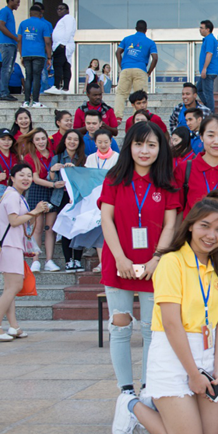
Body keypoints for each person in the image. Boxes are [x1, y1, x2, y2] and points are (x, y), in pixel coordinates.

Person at [111, 192, 218, 434]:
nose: (211, 235)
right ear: (190, 225)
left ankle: (165, 409)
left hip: (207, 352)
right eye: (204, 226)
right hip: (173, 354)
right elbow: (171, 324)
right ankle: (131, 405)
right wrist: (193, 375)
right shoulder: (172, 262)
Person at [100, 121, 180, 399]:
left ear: (160, 148)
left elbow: (171, 225)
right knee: (120, 326)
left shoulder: (167, 181)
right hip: (118, 262)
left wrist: (157, 259)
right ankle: (125, 392)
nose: (144, 151)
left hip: (154, 266)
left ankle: (147, 389)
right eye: (138, 144)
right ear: (129, 146)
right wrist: (120, 258)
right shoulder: (114, 178)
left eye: (151, 145)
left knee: (151, 329)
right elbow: (106, 220)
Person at [0, 163, 49, 341]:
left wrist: (35, 212)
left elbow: (22, 221)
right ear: (12, 177)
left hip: (11, 245)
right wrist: (35, 211)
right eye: (21, 175)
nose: (26, 178)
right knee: (14, 286)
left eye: (29, 175)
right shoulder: (13, 196)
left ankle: (14, 326)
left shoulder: (16, 195)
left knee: (10, 288)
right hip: (10, 245)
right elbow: (14, 221)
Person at [175, 114, 218, 224]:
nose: (216, 141)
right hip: (192, 232)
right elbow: (177, 210)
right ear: (201, 137)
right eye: (211, 135)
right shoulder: (184, 169)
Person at [48, 129, 86, 271]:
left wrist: (75, 170)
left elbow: (85, 181)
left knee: (78, 228)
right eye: (69, 139)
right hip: (62, 197)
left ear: (79, 143)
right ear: (64, 141)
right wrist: (53, 170)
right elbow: (51, 180)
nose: (72, 142)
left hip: (77, 198)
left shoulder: (83, 158)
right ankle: (68, 260)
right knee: (65, 228)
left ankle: (77, 259)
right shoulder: (57, 158)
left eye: (75, 139)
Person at [21, 128, 58, 272]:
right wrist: (53, 184)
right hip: (38, 190)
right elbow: (35, 179)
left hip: (53, 192)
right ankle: (35, 261)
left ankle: (49, 260)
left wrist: (54, 184)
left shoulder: (53, 154)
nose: (41, 142)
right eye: (37, 139)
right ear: (33, 142)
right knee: (37, 227)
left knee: (50, 228)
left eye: (43, 139)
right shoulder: (30, 157)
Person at [82, 129, 119, 273]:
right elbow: (86, 178)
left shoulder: (117, 157)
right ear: (95, 143)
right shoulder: (91, 158)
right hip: (94, 199)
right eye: (100, 142)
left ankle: (113, 261)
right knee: (99, 230)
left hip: (112, 198)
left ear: (111, 142)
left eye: (106, 142)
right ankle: (102, 262)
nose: (103, 145)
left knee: (111, 229)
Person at [114, 20, 158, 117]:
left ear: (136, 28)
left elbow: (118, 52)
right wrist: (149, 72)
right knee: (140, 96)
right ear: (146, 30)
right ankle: (138, 117)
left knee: (121, 94)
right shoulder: (150, 42)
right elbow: (155, 58)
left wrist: (122, 66)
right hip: (141, 70)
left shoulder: (127, 39)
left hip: (126, 69)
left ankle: (118, 116)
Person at [17, 4, 52, 109]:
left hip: (26, 54)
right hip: (39, 54)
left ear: (30, 13)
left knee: (28, 77)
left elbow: (19, 40)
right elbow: (47, 42)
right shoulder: (44, 25)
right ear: (40, 14)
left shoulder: (23, 24)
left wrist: (21, 55)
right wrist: (49, 57)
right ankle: (36, 101)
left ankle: (26, 101)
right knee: (37, 77)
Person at [45, 3, 76, 95]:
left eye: (61, 9)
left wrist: (63, 44)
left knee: (58, 65)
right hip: (64, 45)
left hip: (63, 45)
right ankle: (65, 88)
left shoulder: (68, 18)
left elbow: (68, 31)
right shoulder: (64, 19)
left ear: (67, 10)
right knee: (66, 66)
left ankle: (56, 86)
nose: (59, 10)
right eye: (58, 8)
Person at [0, 0, 21, 102]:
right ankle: (3, 93)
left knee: (9, 69)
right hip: (7, 44)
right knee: (6, 69)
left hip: (11, 44)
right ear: (10, 1)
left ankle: (4, 91)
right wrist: (15, 37)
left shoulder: (10, 12)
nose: (18, 4)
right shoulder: (4, 11)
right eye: (17, 2)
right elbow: (1, 25)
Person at [197, 20, 218, 112]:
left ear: (208, 29)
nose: (200, 29)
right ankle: (207, 107)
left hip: (209, 71)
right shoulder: (209, 39)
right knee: (199, 89)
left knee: (208, 93)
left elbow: (209, 54)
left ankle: (210, 112)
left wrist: (204, 68)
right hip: (209, 71)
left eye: (202, 28)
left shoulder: (209, 39)